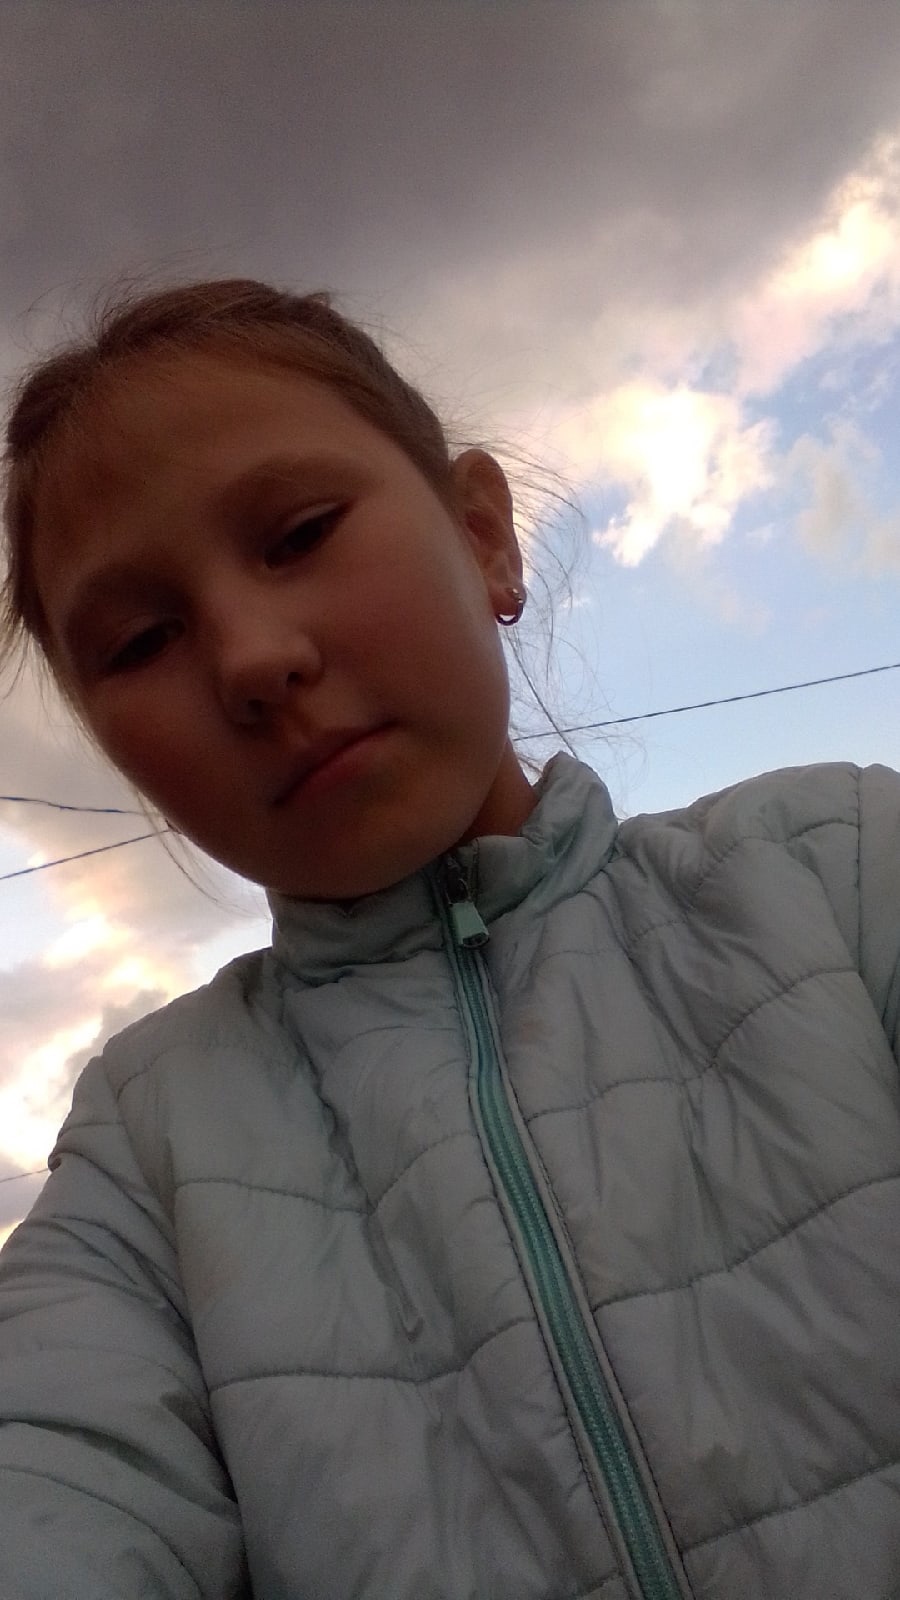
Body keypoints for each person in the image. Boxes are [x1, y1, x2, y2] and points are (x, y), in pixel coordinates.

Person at [0, 277, 899, 1600]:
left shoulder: (843, 867)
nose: (249, 659)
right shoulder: (145, 1147)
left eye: (300, 534)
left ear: (484, 537)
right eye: (139, 641)